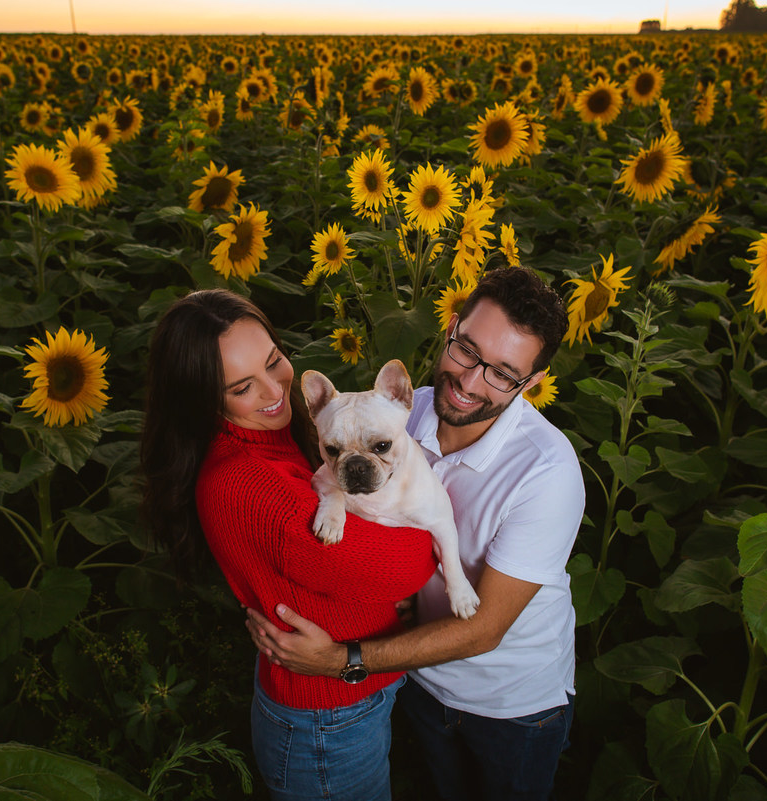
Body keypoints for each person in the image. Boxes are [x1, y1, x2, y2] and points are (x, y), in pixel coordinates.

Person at [246, 267, 584, 801]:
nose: (471, 381)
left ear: (533, 383)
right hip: (412, 677)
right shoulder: (400, 408)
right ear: (450, 328)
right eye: (467, 351)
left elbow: (484, 629)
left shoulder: (548, 472)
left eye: (502, 373)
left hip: (508, 703)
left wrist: (343, 661)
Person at [140, 288, 437, 801]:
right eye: (241, 387)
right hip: (327, 719)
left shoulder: (281, 437)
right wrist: (420, 526)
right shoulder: (250, 483)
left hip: (348, 691)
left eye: (274, 361)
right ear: (203, 397)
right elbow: (406, 567)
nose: (274, 390)